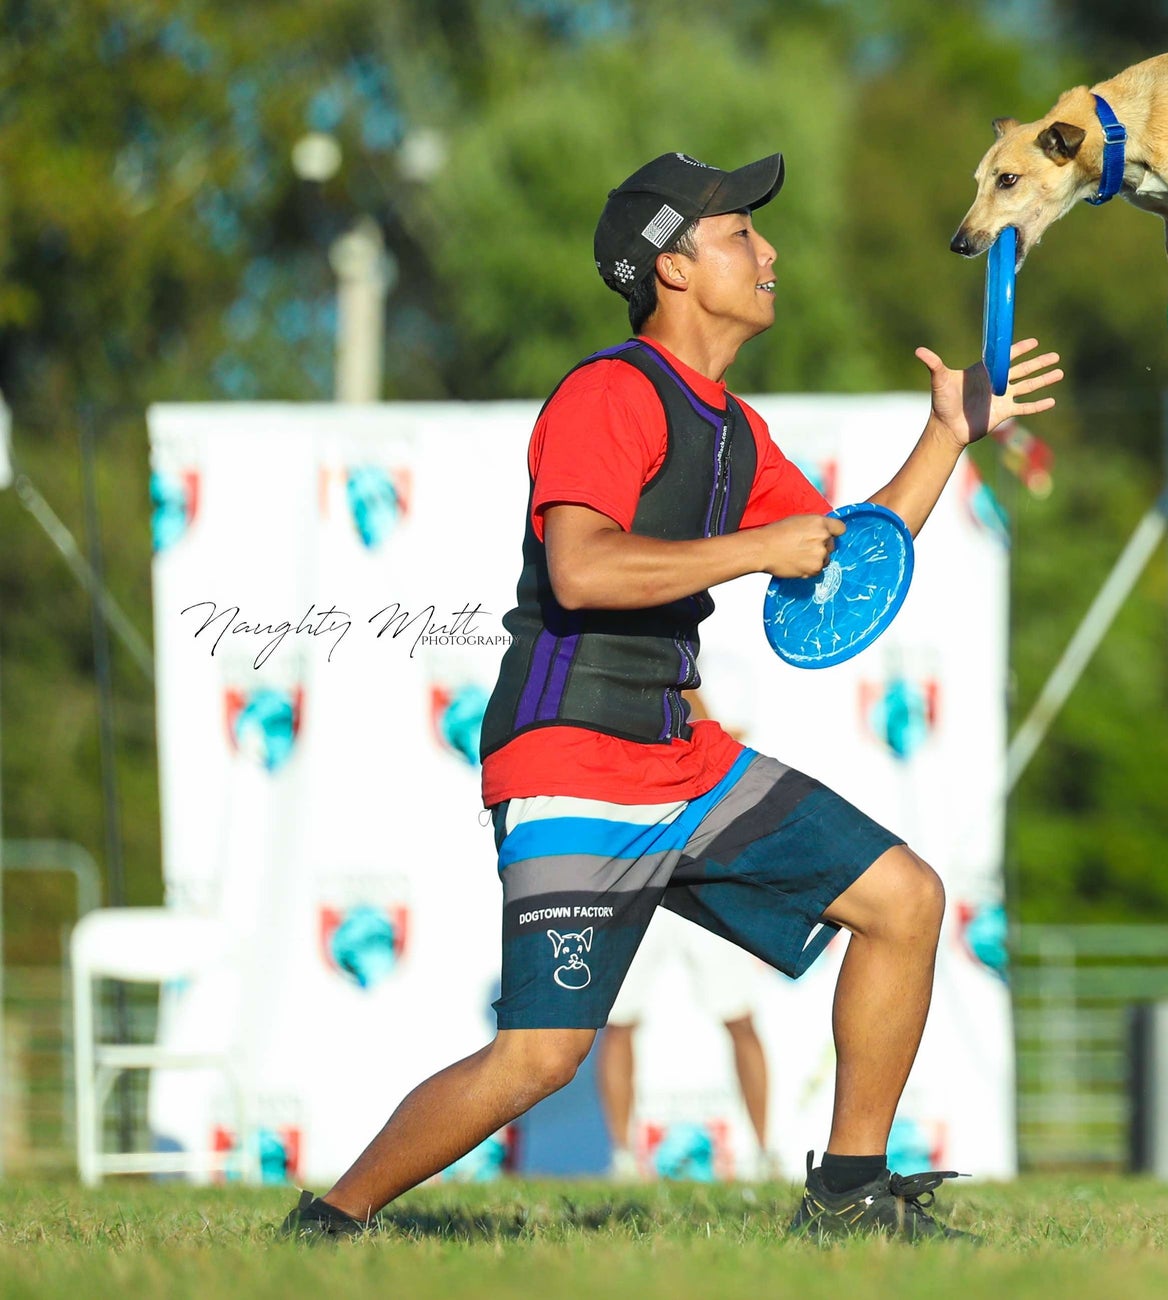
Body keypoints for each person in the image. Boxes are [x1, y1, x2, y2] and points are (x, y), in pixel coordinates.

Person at [280, 149, 1061, 1240]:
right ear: (674, 266)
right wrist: (752, 549)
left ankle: (846, 1196)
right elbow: (582, 569)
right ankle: (332, 1221)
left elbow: (841, 552)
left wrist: (949, 432)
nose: (769, 249)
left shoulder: (735, 429)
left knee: (906, 900)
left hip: (682, 755)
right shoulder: (609, 393)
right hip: (572, 758)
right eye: (743, 232)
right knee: (539, 1059)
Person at [598, 694, 773, 1182]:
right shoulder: (627, 679)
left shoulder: (706, 672)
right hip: (639, 868)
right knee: (619, 1021)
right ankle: (623, 1160)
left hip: (705, 870)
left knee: (740, 1017)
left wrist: (687, 695)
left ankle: (762, 1155)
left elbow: (722, 750)